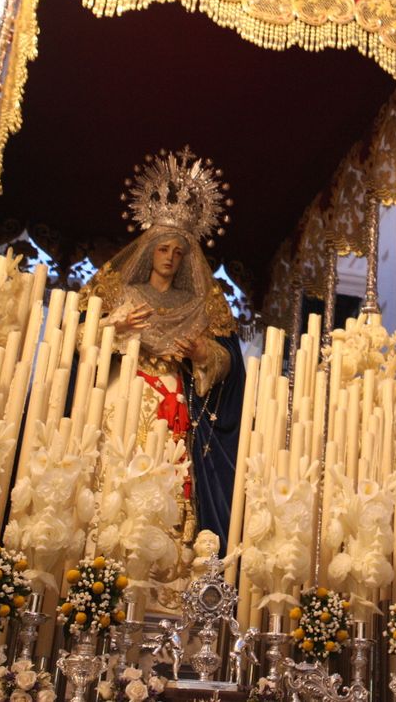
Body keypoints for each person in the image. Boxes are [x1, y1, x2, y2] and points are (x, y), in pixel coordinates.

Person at [89, 147, 245, 554]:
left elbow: (227, 360)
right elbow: (78, 341)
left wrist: (202, 354)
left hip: (172, 397)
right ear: (150, 249)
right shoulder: (121, 292)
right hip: (124, 390)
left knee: (166, 476)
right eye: (163, 249)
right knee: (115, 467)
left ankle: (162, 553)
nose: (170, 258)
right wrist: (115, 329)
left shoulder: (199, 305)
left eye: (179, 252)